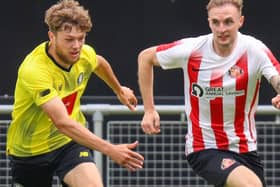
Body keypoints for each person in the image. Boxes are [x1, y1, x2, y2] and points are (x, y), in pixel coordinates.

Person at [137, 0, 280, 187]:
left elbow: (276, 77)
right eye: (216, 22)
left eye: (228, 22)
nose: (221, 29)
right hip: (204, 147)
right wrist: (149, 109)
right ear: (209, 22)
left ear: (241, 21)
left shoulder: (255, 50)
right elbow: (145, 57)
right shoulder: (192, 49)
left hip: (246, 147)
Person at [7, 0, 144, 186]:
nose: (77, 46)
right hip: (30, 153)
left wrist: (119, 90)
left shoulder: (83, 54)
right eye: (69, 39)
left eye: (81, 38)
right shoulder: (35, 70)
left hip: (68, 143)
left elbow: (99, 62)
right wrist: (110, 149)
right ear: (52, 36)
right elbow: (62, 122)